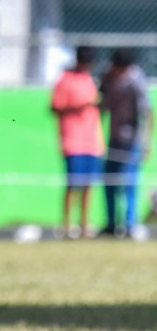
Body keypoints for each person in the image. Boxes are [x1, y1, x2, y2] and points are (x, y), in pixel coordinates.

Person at [51, 46, 104, 239]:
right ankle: (66, 225)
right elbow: (54, 107)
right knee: (73, 184)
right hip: (73, 140)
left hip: (92, 141)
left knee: (89, 184)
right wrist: (79, 105)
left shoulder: (90, 79)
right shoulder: (65, 79)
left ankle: (83, 225)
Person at [99, 47, 151, 238]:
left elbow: (147, 113)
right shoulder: (108, 76)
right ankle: (111, 223)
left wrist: (146, 143)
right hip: (112, 138)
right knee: (109, 181)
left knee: (129, 182)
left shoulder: (136, 81)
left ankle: (130, 225)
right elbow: (100, 104)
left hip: (132, 141)